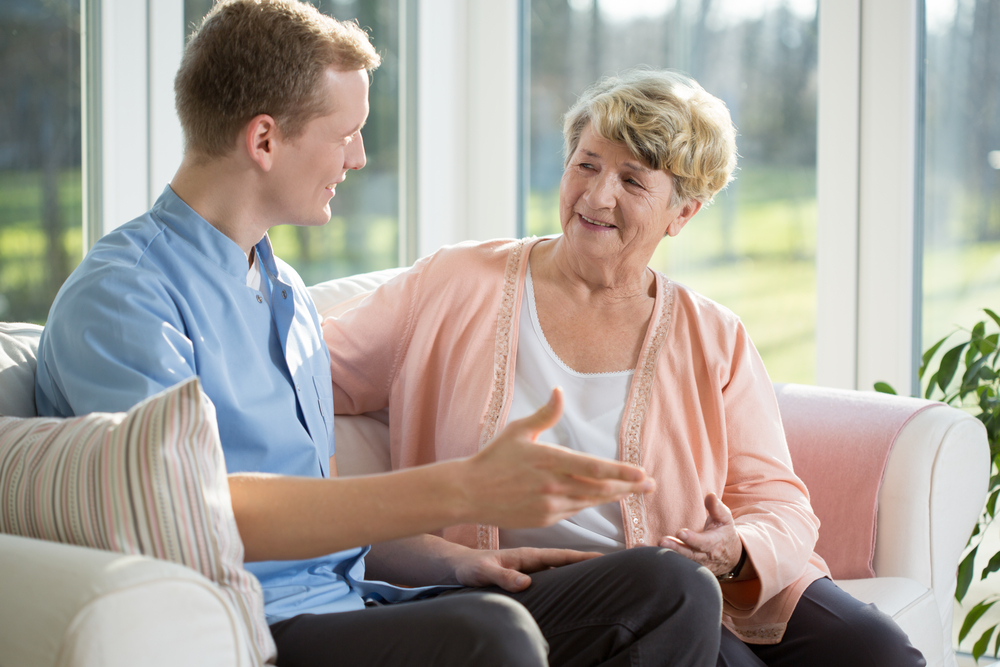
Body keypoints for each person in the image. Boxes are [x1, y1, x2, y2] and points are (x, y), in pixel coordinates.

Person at [34, 2, 725, 666]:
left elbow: (317, 506)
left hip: (357, 600)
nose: (359, 156)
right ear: (265, 140)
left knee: (670, 591)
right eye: (345, 133)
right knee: (492, 635)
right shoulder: (127, 297)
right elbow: (190, 510)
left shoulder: (283, 295)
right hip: (258, 625)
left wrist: (451, 557)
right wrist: (463, 489)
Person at [322, 69, 928, 667]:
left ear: (681, 213)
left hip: (699, 581)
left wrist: (737, 550)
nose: (596, 195)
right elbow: (302, 375)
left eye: (632, 181)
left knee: (881, 652)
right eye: (586, 164)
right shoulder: (455, 282)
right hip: (540, 590)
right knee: (696, 625)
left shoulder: (711, 333)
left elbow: (778, 501)